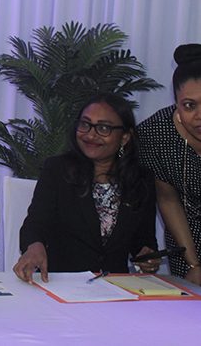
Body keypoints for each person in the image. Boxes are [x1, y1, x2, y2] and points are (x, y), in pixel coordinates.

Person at [14, 94, 159, 283]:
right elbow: (36, 224)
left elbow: (144, 239)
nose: (90, 135)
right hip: (64, 285)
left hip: (117, 288)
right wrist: (34, 247)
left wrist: (147, 255)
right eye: (85, 124)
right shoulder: (57, 170)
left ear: (125, 137)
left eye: (103, 128)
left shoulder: (141, 179)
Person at [138, 44, 201, 285]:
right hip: (186, 240)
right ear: (176, 103)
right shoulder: (155, 133)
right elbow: (167, 199)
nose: (199, 115)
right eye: (189, 105)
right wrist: (194, 263)